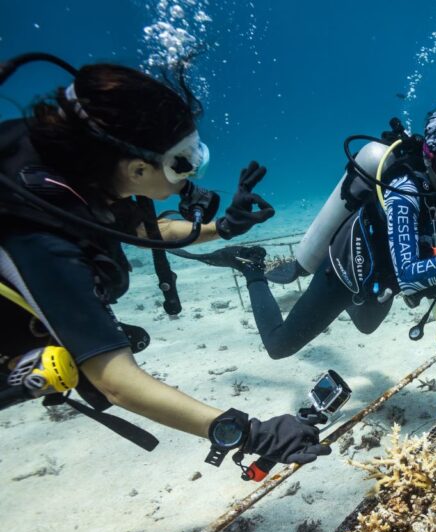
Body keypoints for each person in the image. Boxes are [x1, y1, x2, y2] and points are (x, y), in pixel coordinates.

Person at [0, 55, 328, 476]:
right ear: (137, 168)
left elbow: (141, 227)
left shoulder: (74, 168)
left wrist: (222, 228)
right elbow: (117, 381)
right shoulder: (37, 232)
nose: (190, 174)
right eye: (183, 161)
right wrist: (247, 432)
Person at [188, 103, 436, 360]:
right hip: (347, 270)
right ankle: (252, 267)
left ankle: (337, 301)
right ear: (428, 156)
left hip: (380, 280)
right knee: (279, 345)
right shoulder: (405, 193)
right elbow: (409, 275)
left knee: (365, 325)